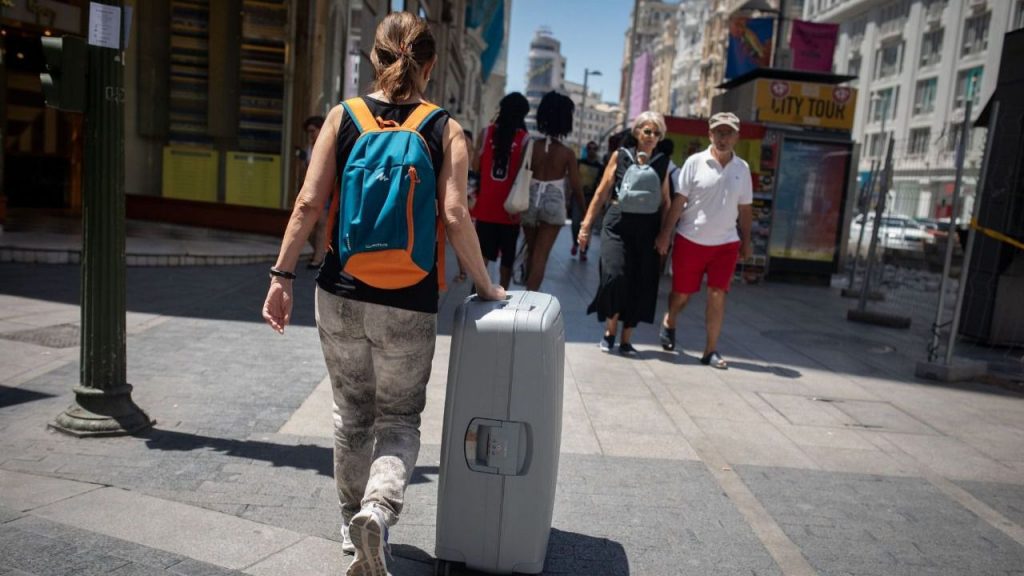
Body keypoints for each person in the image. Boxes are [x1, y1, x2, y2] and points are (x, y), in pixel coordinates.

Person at [261, 12, 505, 576]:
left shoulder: (343, 118)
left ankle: (352, 528)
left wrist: (280, 276)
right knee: (399, 418)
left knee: (352, 415)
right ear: (431, 65)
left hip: (340, 291)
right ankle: (378, 509)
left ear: (374, 58)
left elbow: (307, 203)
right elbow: (454, 213)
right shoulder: (444, 127)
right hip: (409, 300)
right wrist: (486, 283)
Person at [655, 112, 752, 369]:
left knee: (718, 294)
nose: (723, 138)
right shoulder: (694, 162)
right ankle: (670, 319)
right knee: (682, 295)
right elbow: (679, 201)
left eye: (728, 133)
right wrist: (666, 234)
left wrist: (746, 240)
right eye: (718, 132)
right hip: (691, 239)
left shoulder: (742, 169)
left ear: (736, 137)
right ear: (710, 135)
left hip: (726, 244)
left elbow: (745, 209)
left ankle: (710, 351)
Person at [578, 111, 672, 356]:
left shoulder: (662, 162)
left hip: (647, 228)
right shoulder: (620, 156)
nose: (651, 136)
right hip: (617, 222)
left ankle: (626, 338)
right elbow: (601, 193)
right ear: (637, 132)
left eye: (656, 133)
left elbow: (666, 201)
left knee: (640, 281)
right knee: (614, 275)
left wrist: (665, 234)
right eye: (647, 131)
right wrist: (586, 225)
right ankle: (610, 330)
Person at [520, 91, 583, 291]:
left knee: (531, 250)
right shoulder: (567, 153)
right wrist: (584, 209)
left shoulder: (531, 146)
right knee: (541, 255)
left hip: (529, 199)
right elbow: (576, 185)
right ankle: (530, 297)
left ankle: (524, 295)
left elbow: (521, 175)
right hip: (554, 203)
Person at [470, 92, 531, 289]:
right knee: (507, 258)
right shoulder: (524, 140)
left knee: (483, 256)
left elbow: (476, 166)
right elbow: (524, 175)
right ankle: (504, 295)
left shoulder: (486, 133)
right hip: (510, 211)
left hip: (485, 206)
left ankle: (477, 290)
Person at [299, 115, 327, 268]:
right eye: (308, 132)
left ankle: (318, 258)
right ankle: (318, 253)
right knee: (310, 225)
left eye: (312, 131)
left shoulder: (326, 145)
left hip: (323, 191)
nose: (310, 134)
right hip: (310, 189)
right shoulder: (309, 147)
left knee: (321, 224)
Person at [571, 141, 603, 262]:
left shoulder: (600, 167)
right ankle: (575, 243)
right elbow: (573, 179)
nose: (592, 151)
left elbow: (602, 184)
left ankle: (583, 250)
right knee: (575, 223)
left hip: (591, 199)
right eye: (590, 148)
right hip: (577, 197)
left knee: (588, 225)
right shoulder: (579, 163)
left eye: (594, 149)